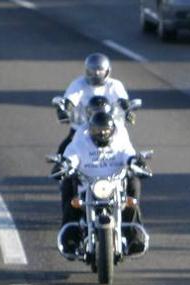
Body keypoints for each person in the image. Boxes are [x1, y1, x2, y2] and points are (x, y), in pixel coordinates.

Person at [56, 112, 146, 254]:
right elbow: (71, 156)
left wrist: (135, 162)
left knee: (131, 203)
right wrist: (64, 165)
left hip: (114, 188)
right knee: (73, 204)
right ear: (90, 130)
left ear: (112, 130)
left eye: (105, 130)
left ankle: (134, 238)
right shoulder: (81, 143)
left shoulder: (119, 143)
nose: (102, 133)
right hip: (88, 188)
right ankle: (70, 239)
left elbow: (129, 154)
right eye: (98, 130)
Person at [55, 53, 130, 155]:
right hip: (83, 126)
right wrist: (64, 110)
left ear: (107, 70)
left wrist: (128, 111)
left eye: (100, 70)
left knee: (126, 148)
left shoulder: (114, 85)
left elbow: (123, 101)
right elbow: (69, 100)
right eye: (93, 70)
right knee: (65, 149)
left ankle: (133, 166)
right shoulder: (78, 84)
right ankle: (62, 167)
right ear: (86, 70)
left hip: (109, 126)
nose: (96, 73)